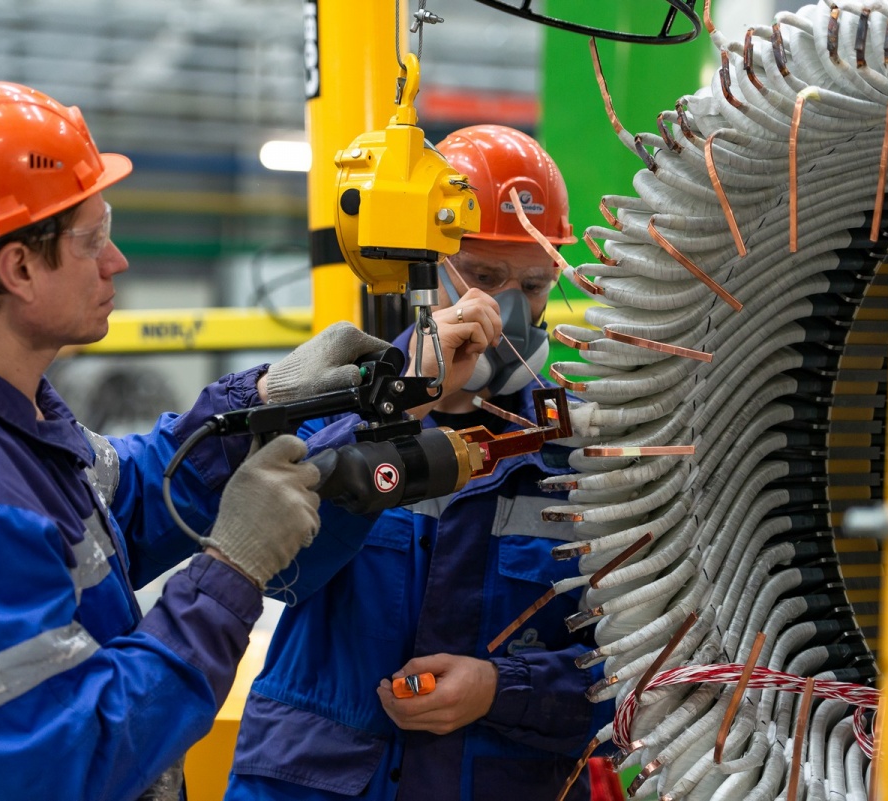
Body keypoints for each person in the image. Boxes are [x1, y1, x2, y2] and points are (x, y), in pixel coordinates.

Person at [0, 82, 489, 801]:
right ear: (19, 269)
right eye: (93, 240)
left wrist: (267, 397)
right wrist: (233, 567)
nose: (117, 260)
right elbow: (71, 760)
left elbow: (126, 502)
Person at [225, 125, 614, 801]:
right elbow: (280, 568)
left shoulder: (582, 452)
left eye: (535, 283)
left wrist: (502, 689)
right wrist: (397, 406)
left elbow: (640, 666)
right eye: (486, 277)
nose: (511, 312)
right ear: (423, 270)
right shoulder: (333, 399)